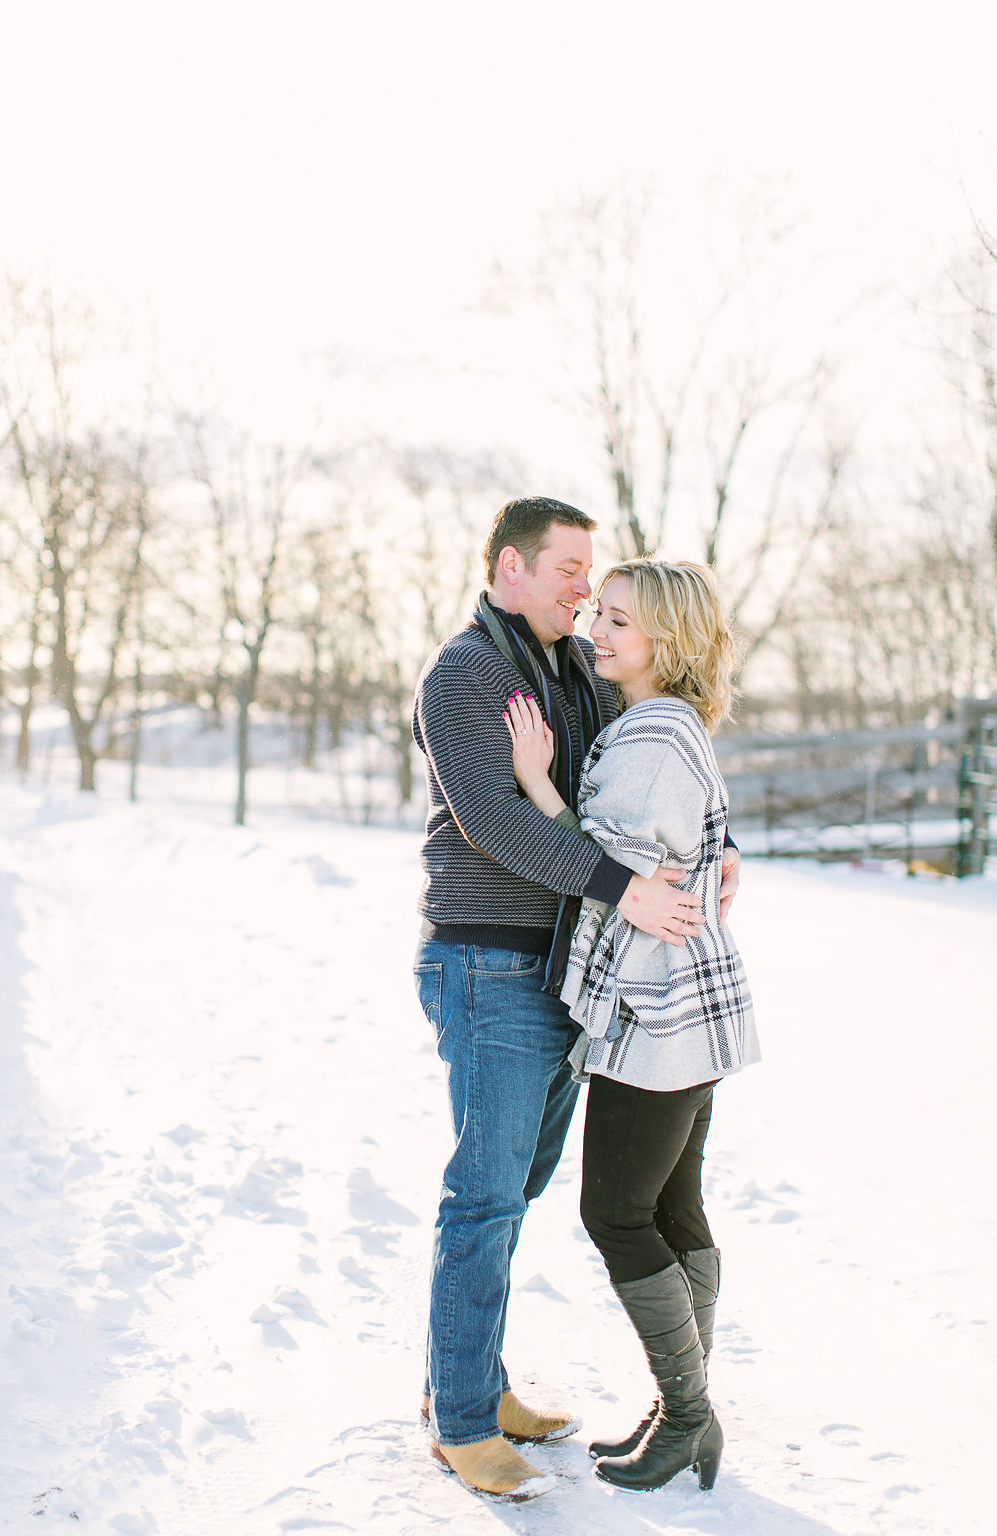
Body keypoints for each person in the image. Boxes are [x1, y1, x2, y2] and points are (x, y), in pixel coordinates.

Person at [411, 498, 740, 1503]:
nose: (582, 590)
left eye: (591, 576)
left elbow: (642, 796)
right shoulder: (466, 673)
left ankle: (468, 1382)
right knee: (484, 1195)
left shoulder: (573, 671)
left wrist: (715, 848)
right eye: (566, 569)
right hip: (488, 963)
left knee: (514, 1192)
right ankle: (463, 1424)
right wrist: (624, 887)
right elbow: (497, 823)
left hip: (558, 973)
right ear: (510, 567)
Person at [504, 556, 759, 1494]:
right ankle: (682, 1410)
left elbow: (605, 871)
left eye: (620, 622)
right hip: (686, 1006)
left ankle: (687, 1413)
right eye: (597, 614)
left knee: (614, 1211)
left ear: (670, 642)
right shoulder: (663, 724)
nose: (596, 631)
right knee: (670, 1206)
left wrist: (536, 781)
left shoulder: (652, 739)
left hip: (654, 1012)